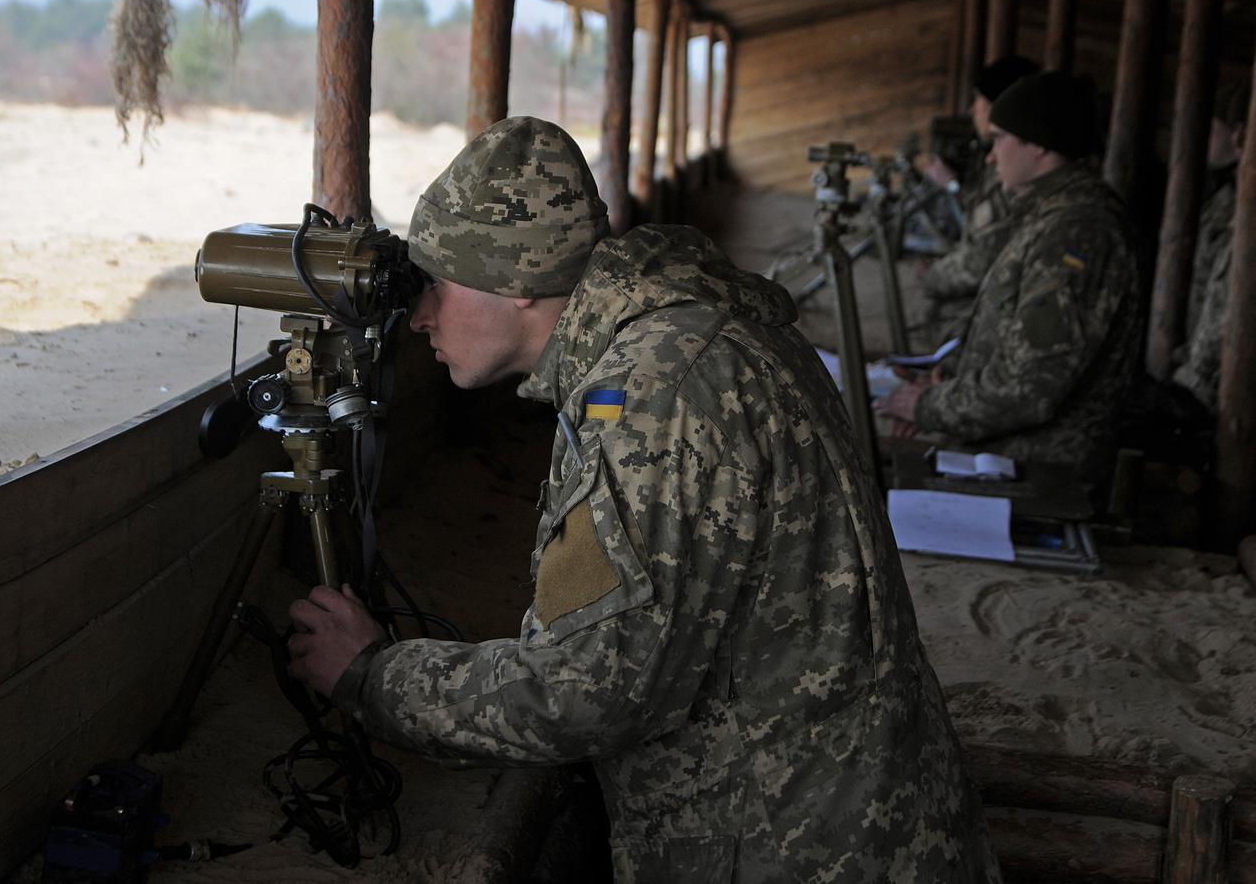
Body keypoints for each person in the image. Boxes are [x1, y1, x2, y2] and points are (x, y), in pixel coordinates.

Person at [285, 116, 1000, 881]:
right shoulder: (686, 328)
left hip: (797, 847)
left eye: (439, 285)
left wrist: (373, 676)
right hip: (858, 807)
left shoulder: (656, 393)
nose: (420, 315)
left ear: (521, 283)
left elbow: (590, 692)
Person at [879, 71, 1141, 482]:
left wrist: (928, 407)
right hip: (1005, 451)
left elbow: (1030, 386)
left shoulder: (1077, 233)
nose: (990, 155)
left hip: (1037, 467)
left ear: (1038, 144)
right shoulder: (1050, 216)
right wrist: (944, 380)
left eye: (1000, 138)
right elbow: (1011, 340)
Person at [921, 55, 1040, 344]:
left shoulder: (1013, 171)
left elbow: (980, 259)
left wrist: (932, 276)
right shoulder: (1002, 163)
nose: (972, 109)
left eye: (979, 100)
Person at [1172, 81, 1249, 412]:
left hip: (1220, 396)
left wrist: (1190, 383)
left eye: (1213, 126)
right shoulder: (1224, 199)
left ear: (1240, 135)